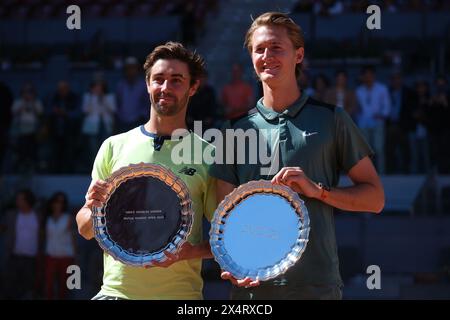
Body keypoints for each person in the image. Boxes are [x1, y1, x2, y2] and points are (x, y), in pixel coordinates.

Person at [209, 12, 384, 300]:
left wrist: (319, 191)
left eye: (277, 47)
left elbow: (375, 199)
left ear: (298, 55)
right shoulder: (232, 130)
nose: (267, 56)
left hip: (317, 287)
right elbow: (223, 218)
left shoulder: (332, 119)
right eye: (259, 49)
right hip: (252, 292)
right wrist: (231, 264)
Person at [75, 42, 217, 300]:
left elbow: (228, 240)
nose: (165, 88)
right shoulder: (113, 146)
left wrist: (189, 252)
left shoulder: (209, 155)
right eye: (158, 79)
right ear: (147, 84)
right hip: (115, 294)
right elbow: (84, 229)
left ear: (193, 87)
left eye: (176, 80)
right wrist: (94, 207)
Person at [1, 189, 43, 299]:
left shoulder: (38, 216)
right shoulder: (11, 215)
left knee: (28, 288)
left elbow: (43, 234)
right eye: (17, 199)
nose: (17, 201)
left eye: (20, 199)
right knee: (10, 287)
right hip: (14, 257)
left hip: (31, 258)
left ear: (27, 200)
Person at [44, 192, 76, 300]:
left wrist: (75, 256)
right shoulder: (47, 218)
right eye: (56, 201)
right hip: (51, 255)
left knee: (64, 285)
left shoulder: (68, 218)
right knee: (49, 285)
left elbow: (73, 237)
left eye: (61, 202)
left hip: (65, 255)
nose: (58, 204)